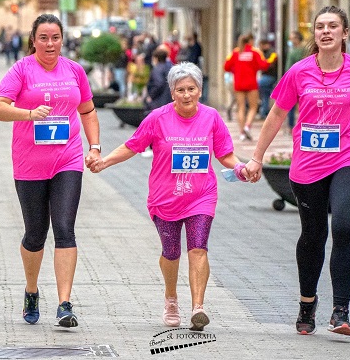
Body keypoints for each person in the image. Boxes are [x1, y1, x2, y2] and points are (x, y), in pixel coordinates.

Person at [245, 6, 350, 337]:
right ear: (316, 35)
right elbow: (277, 115)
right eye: (320, 26)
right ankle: (307, 304)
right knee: (313, 235)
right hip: (307, 165)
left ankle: (341, 311)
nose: (326, 31)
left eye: (333, 26)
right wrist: (256, 157)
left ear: (344, 33)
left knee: (346, 227)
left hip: (349, 156)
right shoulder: (299, 72)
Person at [85, 62, 249, 331]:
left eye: (192, 89)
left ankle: (198, 307)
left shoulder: (211, 117)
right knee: (171, 252)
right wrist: (105, 162)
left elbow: (224, 153)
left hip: (201, 195)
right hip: (165, 198)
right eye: (181, 89)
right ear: (172, 93)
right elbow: (132, 146)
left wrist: (240, 167)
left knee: (198, 248)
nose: (186, 95)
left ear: (200, 90)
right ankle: (171, 298)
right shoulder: (157, 118)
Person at [0, 14, 101, 328]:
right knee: (35, 235)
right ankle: (32, 290)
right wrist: (28, 114)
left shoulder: (75, 71)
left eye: (55, 38)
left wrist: (95, 147)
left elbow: (88, 112)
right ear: (33, 40)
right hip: (30, 164)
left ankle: (64, 303)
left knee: (65, 228)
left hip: (68, 160)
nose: (50, 44)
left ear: (62, 40)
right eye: (43, 38)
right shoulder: (21, 69)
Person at [224, 32, 272, 141]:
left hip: (239, 83)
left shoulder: (236, 52)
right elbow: (263, 65)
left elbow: (226, 66)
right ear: (250, 41)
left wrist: (235, 70)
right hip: (251, 84)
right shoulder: (255, 52)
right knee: (253, 107)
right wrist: (271, 59)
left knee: (240, 108)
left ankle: (241, 133)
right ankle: (247, 126)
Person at [285, 31, 307, 133]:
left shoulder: (293, 52)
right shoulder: (306, 50)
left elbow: (288, 69)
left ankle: (291, 127)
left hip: (295, 82)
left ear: (297, 39)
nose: (291, 40)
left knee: (291, 105)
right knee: (303, 105)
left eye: (292, 38)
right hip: (306, 81)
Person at [258, 38, 278, 119]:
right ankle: (264, 111)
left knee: (259, 87)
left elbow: (268, 64)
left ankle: (263, 111)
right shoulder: (264, 53)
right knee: (265, 95)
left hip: (270, 76)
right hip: (266, 76)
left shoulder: (272, 53)